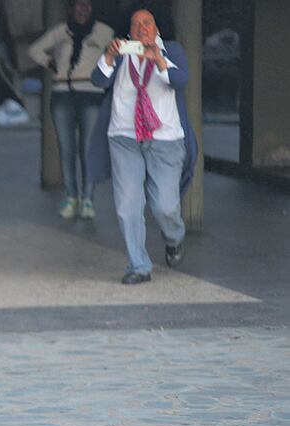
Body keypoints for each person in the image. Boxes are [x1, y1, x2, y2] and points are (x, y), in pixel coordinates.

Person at [86, 6, 198, 284]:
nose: (142, 28)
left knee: (165, 206)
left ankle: (174, 237)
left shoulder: (170, 50)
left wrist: (158, 59)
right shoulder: (123, 53)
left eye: (147, 23)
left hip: (165, 140)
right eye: (136, 25)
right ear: (129, 32)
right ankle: (138, 265)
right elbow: (99, 80)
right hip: (124, 138)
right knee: (128, 205)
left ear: (156, 29)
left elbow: (181, 79)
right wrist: (109, 56)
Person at [28, 0, 114, 219]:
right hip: (63, 93)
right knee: (66, 149)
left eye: (87, 6)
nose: (83, 10)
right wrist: (50, 62)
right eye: (79, 6)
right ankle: (71, 196)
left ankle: (88, 198)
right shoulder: (61, 32)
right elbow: (34, 50)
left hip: (92, 93)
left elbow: (120, 52)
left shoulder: (104, 32)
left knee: (87, 149)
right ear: (70, 9)